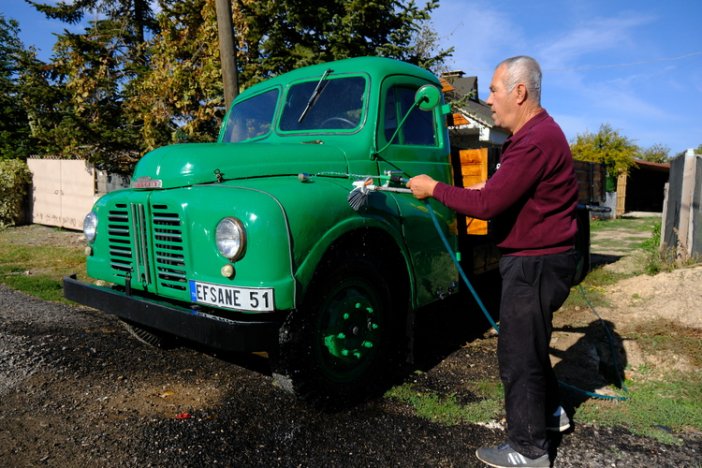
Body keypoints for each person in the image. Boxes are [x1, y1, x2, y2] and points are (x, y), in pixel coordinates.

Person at [407, 56, 578, 468]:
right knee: (532, 346)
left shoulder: (535, 140)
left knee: (518, 355)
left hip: (535, 264)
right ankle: (550, 415)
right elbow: (507, 191)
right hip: (541, 260)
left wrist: (433, 188)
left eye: (495, 90)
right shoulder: (534, 136)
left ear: (520, 92)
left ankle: (529, 450)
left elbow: (486, 205)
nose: (489, 99)